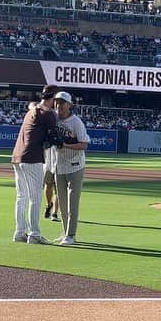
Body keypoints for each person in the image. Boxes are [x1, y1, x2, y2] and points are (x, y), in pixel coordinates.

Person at [11, 84, 60, 245]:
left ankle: (19, 232)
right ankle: (34, 234)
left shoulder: (33, 109)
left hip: (17, 156)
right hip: (32, 158)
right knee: (35, 197)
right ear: (52, 98)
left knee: (21, 197)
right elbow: (54, 138)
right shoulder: (49, 114)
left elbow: (32, 105)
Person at [52, 91, 90, 246]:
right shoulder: (53, 119)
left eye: (62, 103)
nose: (59, 105)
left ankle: (71, 235)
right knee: (62, 203)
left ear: (69, 105)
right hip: (59, 166)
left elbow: (84, 144)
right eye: (57, 102)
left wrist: (65, 144)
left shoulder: (76, 122)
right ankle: (65, 233)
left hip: (75, 166)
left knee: (72, 204)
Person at [43, 145, 59, 221]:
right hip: (47, 164)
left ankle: (54, 213)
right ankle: (49, 205)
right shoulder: (45, 133)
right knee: (48, 185)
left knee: (58, 189)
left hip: (60, 164)